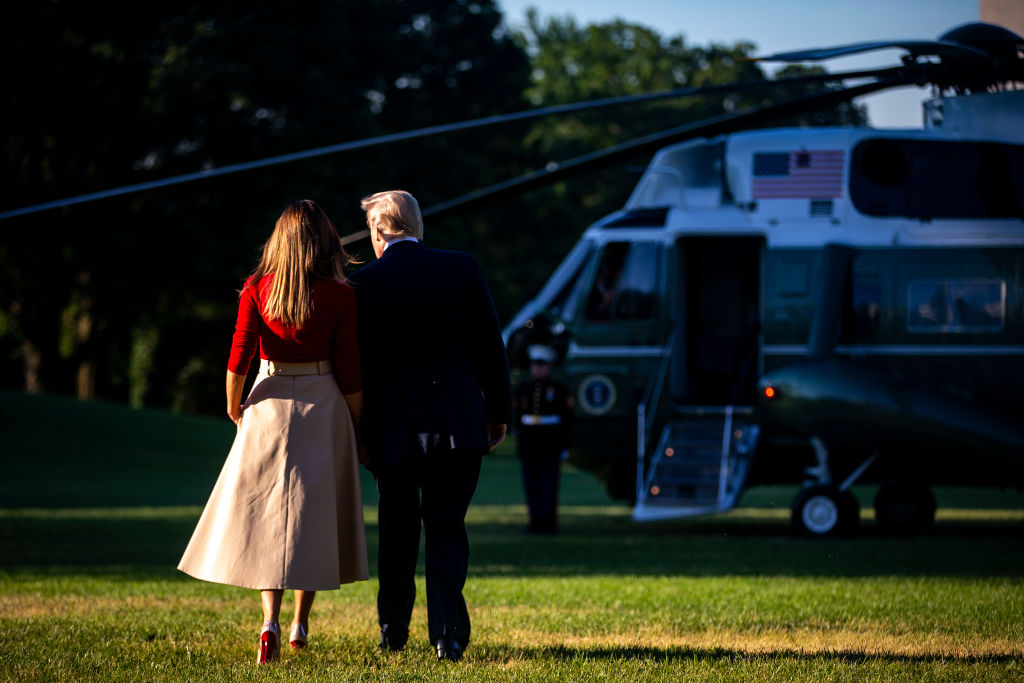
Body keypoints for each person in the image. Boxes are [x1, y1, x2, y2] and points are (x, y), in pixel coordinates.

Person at [177, 199, 368, 664]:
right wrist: (356, 420)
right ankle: (302, 623)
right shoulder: (340, 294)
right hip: (323, 399)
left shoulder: (257, 287)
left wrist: (233, 405)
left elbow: (239, 351)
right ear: (324, 241)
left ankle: (269, 623)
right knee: (313, 517)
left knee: (266, 520)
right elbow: (349, 364)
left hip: (267, 394)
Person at [348, 190, 510, 662]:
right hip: (458, 422)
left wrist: (359, 431)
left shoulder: (364, 283)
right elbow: (490, 347)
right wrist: (497, 411)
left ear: (378, 232)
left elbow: (357, 367)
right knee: (447, 527)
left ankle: (393, 628)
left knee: (397, 528)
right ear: (418, 226)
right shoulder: (462, 268)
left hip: (392, 428)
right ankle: (448, 635)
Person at [513, 344, 574, 534]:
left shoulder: (559, 389)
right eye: (535, 365)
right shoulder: (522, 388)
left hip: (551, 442)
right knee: (531, 485)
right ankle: (535, 521)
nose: (538, 368)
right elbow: (516, 415)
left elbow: (567, 419)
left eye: (542, 365)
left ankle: (549, 522)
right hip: (529, 442)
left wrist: (564, 445)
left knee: (549, 484)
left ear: (549, 366)